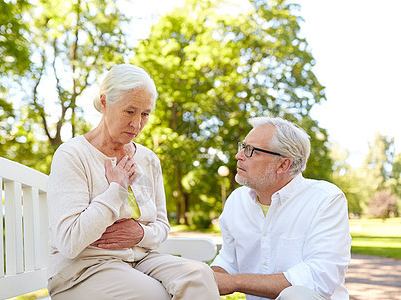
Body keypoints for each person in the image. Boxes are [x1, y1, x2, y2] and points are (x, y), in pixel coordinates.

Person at [46, 64, 219, 300]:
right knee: (153, 294)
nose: (137, 124)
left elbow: (161, 226)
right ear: (105, 102)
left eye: (145, 114)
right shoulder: (73, 155)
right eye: (130, 111)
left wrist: (140, 234)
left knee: (200, 276)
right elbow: (69, 242)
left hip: (140, 259)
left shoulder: (148, 159)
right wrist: (115, 190)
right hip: (84, 269)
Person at [211, 116, 351, 300]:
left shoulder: (326, 199)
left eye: (250, 150)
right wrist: (200, 277)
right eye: (242, 146)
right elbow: (228, 262)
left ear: (283, 164)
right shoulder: (236, 200)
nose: (239, 155)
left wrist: (235, 282)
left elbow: (317, 279)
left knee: (297, 296)